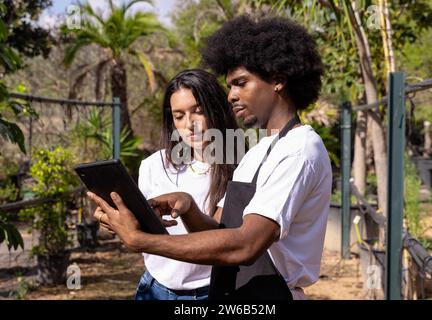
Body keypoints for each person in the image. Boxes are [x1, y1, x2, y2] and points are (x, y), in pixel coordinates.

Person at [89, 16, 331, 300]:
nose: (231, 96)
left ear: (278, 81)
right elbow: (223, 231)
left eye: (241, 83)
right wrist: (189, 208)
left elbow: (246, 245)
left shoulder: (299, 150)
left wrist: (142, 241)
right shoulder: (259, 151)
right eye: (230, 86)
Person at [100, 69, 238, 300]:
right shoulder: (154, 165)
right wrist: (117, 220)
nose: (189, 124)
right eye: (179, 115)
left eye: (199, 111)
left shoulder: (241, 168)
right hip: (154, 289)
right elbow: (144, 233)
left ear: (217, 109)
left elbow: (222, 241)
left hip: (210, 293)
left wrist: (188, 207)